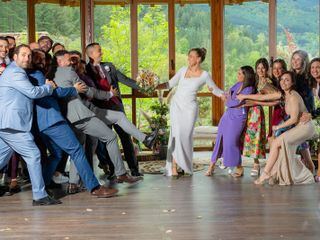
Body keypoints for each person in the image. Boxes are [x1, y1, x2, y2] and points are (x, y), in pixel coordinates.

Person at [28, 49, 118, 197]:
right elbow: (52, 93)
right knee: (77, 150)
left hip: (41, 123)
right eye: (41, 59)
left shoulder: (36, 75)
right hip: (52, 120)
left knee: (56, 154)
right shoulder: (39, 75)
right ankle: (95, 188)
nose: (46, 61)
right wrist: (72, 89)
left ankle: (41, 187)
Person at [0, 44, 60, 205]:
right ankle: (40, 196)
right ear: (14, 57)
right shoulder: (15, 73)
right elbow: (32, 92)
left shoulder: (15, 71)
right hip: (13, 124)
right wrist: (49, 87)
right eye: (23, 55)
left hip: (7, 123)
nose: (27, 58)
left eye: (29, 55)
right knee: (33, 155)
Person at [157, 48, 226, 177]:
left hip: (190, 109)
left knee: (185, 136)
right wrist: (155, 86)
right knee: (176, 134)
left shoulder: (204, 75)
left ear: (198, 59)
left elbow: (214, 89)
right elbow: (170, 84)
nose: (188, 58)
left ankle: (183, 165)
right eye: (188, 56)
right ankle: (173, 166)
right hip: (176, 106)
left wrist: (225, 95)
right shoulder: (183, 70)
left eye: (191, 56)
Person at [238, 71, 315, 185]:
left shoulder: (293, 96)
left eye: (287, 80)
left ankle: (266, 172)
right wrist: (246, 97)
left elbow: (293, 119)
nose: (283, 82)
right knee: (279, 145)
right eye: (282, 79)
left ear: (292, 82)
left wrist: (278, 126)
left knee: (278, 142)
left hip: (305, 127)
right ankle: (274, 172)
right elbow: (266, 98)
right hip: (299, 126)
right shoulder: (283, 95)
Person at [85, 43, 144, 177]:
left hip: (117, 107)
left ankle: (134, 169)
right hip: (101, 111)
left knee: (126, 138)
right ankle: (113, 169)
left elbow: (125, 80)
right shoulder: (86, 71)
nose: (101, 53)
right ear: (91, 54)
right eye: (99, 51)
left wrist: (143, 87)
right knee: (108, 140)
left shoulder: (109, 66)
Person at [205, 66, 255, 177]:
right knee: (219, 139)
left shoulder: (249, 89)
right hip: (227, 115)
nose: (237, 75)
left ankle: (238, 167)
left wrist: (226, 100)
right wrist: (215, 91)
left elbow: (235, 102)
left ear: (246, 75)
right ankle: (211, 166)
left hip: (238, 117)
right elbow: (227, 95)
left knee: (231, 141)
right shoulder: (236, 85)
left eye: (240, 73)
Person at [308, 58, 320, 181]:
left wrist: (312, 114)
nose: (315, 70)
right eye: (312, 67)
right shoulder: (315, 84)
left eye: (318, 67)